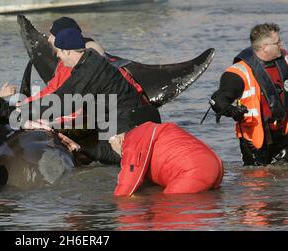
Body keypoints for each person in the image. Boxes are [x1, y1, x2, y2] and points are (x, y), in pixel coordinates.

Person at [20, 28, 152, 163]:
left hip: (131, 123)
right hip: (119, 120)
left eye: (58, 51)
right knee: (98, 154)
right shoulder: (89, 61)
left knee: (124, 159)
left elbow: (62, 101)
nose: (57, 56)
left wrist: (22, 113)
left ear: (67, 51)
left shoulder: (90, 69)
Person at [59, 105, 224, 196]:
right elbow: (114, 156)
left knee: (167, 206)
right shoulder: (153, 134)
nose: (111, 144)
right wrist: (81, 149)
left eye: (112, 141)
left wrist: (117, 202)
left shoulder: (133, 142)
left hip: (194, 172)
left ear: (121, 138)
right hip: (216, 166)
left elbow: (126, 188)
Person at [210, 23, 288, 166]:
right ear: (265, 47)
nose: (281, 44)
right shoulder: (238, 73)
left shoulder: (285, 60)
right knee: (256, 180)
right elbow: (217, 99)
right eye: (277, 42)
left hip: (284, 134)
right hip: (255, 140)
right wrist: (232, 111)